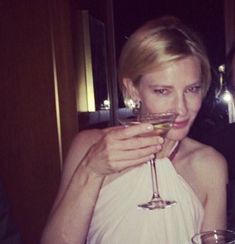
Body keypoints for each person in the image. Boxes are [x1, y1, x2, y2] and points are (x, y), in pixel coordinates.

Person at [41, 16, 227, 244]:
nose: (181, 108)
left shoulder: (210, 165)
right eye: (162, 91)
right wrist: (91, 170)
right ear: (134, 89)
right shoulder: (90, 146)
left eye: (192, 89)